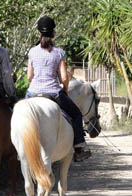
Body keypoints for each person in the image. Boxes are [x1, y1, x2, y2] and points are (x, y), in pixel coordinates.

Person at [26, 16, 91, 162]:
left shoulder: (32, 52)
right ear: (53, 33)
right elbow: (64, 77)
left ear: (39, 33)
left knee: (18, 114)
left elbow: (29, 77)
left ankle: (17, 148)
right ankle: (80, 147)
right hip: (54, 93)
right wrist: (65, 90)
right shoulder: (59, 52)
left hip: (33, 92)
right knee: (76, 115)